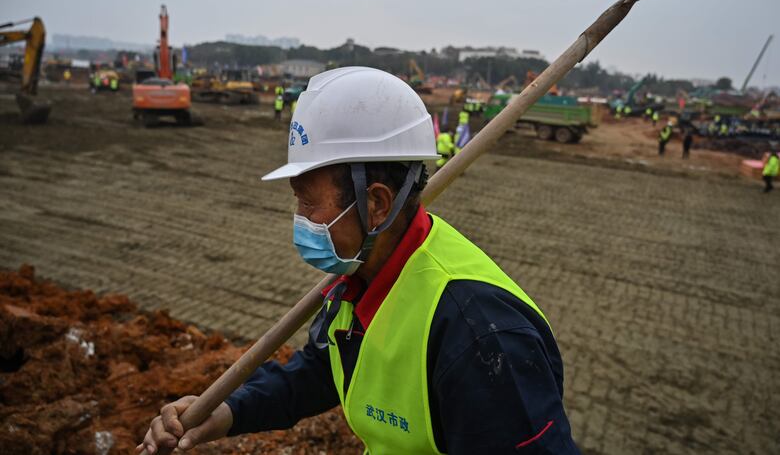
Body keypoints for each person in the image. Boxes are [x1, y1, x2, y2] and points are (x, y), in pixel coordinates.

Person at [137, 67, 579, 455]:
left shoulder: (481, 338)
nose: (300, 220)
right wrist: (229, 411)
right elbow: (323, 370)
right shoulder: (357, 278)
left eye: (309, 203)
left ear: (377, 204)